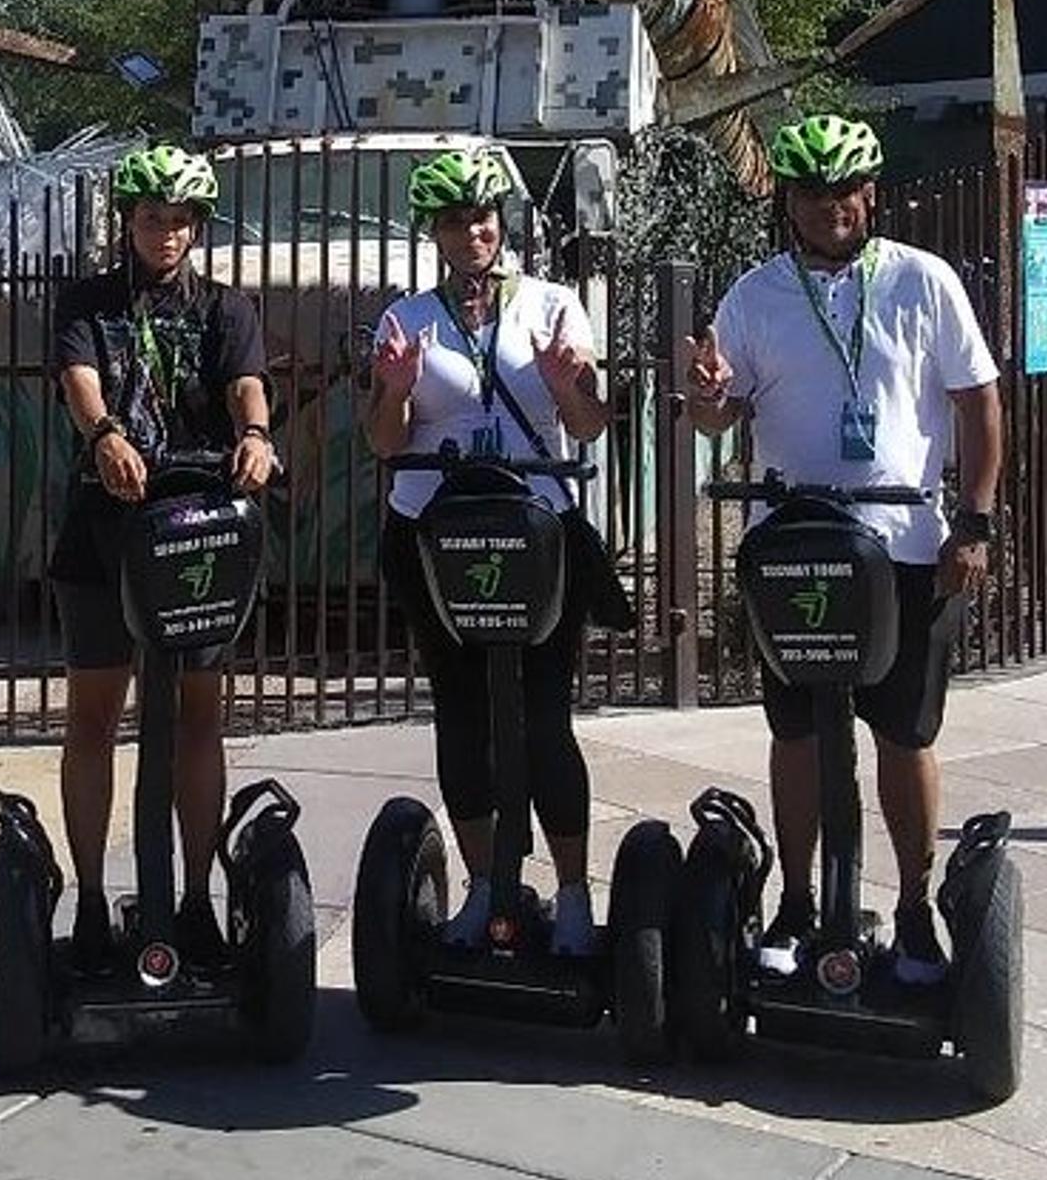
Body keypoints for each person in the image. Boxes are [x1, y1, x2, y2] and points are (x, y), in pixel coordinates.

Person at [686, 113, 1003, 985]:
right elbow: (717, 413)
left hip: (905, 544)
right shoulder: (754, 295)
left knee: (905, 733)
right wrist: (706, 397)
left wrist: (974, 520)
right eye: (811, 192)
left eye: (844, 190)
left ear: (870, 193)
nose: (830, 206)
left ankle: (912, 910)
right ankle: (797, 901)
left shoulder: (923, 281)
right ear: (788, 200)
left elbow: (978, 401)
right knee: (795, 732)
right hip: (794, 544)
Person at [366, 146, 614, 956]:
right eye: (452, 220)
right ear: (432, 231)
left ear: (500, 223)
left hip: (537, 532)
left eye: (481, 217)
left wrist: (567, 383)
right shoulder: (407, 318)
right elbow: (383, 441)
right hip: (435, 535)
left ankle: (571, 895)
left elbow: (588, 425)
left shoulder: (553, 304)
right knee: (463, 714)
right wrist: (396, 390)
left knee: (543, 718)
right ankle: (483, 887)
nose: (470, 232)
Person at [48, 142, 275, 974]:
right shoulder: (90, 301)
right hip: (106, 526)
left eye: (181, 221)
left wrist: (256, 433)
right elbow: (79, 378)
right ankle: (92, 901)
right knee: (94, 715)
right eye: (152, 219)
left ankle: (195, 898)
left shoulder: (225, 308)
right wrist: (105, 433)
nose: (167, 234)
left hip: (195, 528)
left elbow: (246, 383)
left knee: (197, 716)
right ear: (128, 223)